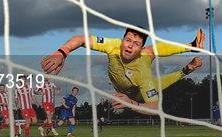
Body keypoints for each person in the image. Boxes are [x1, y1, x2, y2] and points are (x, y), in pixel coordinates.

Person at [41, 28, 204, 114]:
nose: (130, 45)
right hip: (129, 81)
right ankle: (192, 50)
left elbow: (155, 108)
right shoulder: (113, 45)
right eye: (128, 40)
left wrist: (131, 103)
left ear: (139, 48)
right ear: (122, 40)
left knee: (155, 78)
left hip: (137, 94)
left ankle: (189, 58)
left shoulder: (142, 73)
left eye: (136, 43)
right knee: (152, 50)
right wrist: (63, 52)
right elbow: (81, 39)